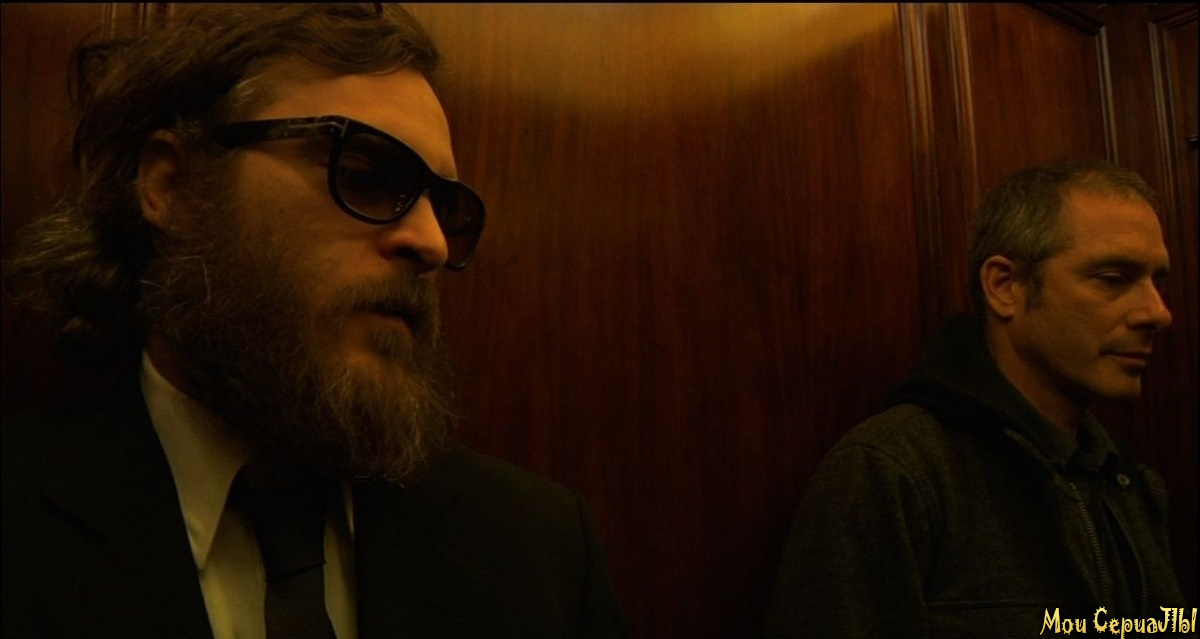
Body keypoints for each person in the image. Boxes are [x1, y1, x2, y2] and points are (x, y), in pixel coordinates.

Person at [1, 4, 627, 638]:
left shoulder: (537, 550)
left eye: (445, 210)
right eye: (364, 176)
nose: (432, 244)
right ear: (174, 183)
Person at [764, 158, 1186, 637]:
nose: (1157, 313)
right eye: (1113, 279)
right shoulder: (895, 473)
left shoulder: (1128, 483)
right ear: (1005, 287)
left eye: (1158, 282)